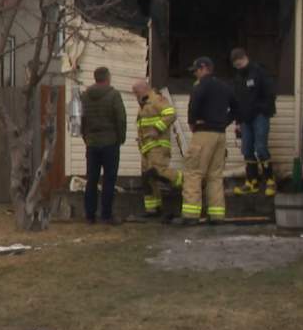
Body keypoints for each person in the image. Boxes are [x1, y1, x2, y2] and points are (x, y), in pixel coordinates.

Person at [176, 57, 236, 226]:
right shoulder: (225, 87)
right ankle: (217, 215)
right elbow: (237, 108)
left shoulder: (200, 86)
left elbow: (193, 106)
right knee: (215, 176)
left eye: (196, 70)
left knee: (193, 173)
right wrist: (224, 122)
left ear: (204, 68)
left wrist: (192, 123)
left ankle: (190, 215)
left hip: (203, 133)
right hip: (220, 134)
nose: (195, 74)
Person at [80, 66, 126, 225]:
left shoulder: (85, 96)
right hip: (110, 142)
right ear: (107, 77)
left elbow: (82, 119)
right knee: (109, 179)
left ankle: (89, 215)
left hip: (92, 142)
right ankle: (106, 215)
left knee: (91, 179)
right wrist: (120, 138)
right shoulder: (113, 95)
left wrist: (85, 137)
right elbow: (120, 118)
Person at [230, 48, 277, 197]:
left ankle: (270, 180)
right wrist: (237, 121)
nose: (239, 67)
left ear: (245, 58)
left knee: (261, 147)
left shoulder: (259, 72)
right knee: (247, 149)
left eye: (240, 63)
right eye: (236, 65)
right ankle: (252, 182)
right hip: (244, 118)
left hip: (259, 116)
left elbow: (270, 93)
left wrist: (263, 109)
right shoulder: (238, 77)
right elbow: (236, 100)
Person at [132, 79, 182, 220]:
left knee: (158, 172)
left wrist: (157, 128)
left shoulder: (157, 100)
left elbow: (171, 114)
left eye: (136, 92)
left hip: (158, 145)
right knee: (147, 179)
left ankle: (185, 181)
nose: (135, 95)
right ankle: (153, 210)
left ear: (144, 89)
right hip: (146, 148)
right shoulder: (143, 104)